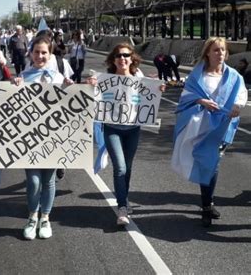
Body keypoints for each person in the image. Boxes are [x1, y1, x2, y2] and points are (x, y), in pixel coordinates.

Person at [171, 37, 247, 227]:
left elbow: (241, 93)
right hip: (201, 126)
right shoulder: (198, 76)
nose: (220, 53)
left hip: (223, 126)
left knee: (212, 163)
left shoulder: (233, 75)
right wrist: (201, 101)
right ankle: (207, 204)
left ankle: (207, 204)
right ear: (207, 53)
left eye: (222, 50)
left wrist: (238, 105)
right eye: (215, 50)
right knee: (208, 163)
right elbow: (186, 96)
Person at [87, 43, 165, 226]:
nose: (122, 59)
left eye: (126, 55)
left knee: (128, 168)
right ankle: (122, 207)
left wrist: (157, 88)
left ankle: (125, 198)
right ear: (113, 60)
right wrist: (90, 85)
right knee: (120, 167)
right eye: (119, 55)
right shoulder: (104, 79)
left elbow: (149, 96)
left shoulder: (139, 77)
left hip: (132, 129)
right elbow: (92, 97)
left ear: (132, 59)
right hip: (112, 128)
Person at [13, 36, 73, 240]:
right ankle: (32, 216)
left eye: (44, 52)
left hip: (53, 137)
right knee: (34, 181)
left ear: (50, 54)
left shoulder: (59, 78)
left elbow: (73, 105)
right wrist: (14, 87)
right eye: (36, 52)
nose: (40, 56)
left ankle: (45, 218)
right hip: (29, 138)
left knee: (48, 180)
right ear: (30, 53)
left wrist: (74, 88)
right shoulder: (23, 76)